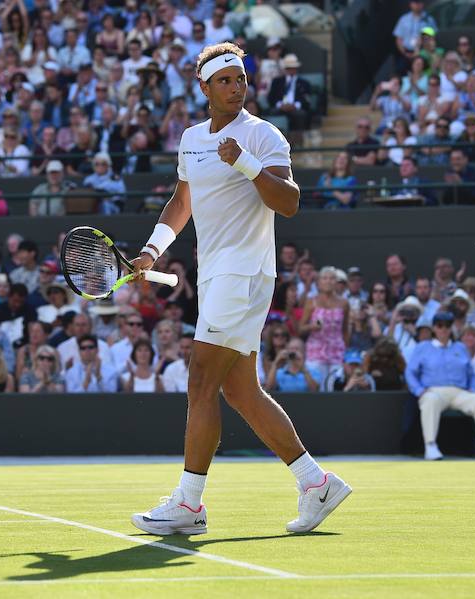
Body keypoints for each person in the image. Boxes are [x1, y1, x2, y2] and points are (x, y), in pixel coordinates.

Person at [128, 42, 351, 536]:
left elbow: (289, 202)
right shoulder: (190, 139)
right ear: (204, 87)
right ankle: (316, 483)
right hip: (217, 275)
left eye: (241, 79)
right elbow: (181, 200)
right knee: (240, 390)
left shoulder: (262, 134)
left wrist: (247, 163)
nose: (235, 87)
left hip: (243, 273)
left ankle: (188, 504)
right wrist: (151, 251)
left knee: (201, 383)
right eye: (224, 80)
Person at [406, 312, 475, 461]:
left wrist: (472, 388)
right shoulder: (422, 348)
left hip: (460, 392)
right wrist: (419, 390)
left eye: (447, 326)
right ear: (434, 328)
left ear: (451, 328)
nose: (443, 330)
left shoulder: (460, 348)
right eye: (440, 326)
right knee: (429, 400)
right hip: (433, 391)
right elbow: (410, 372)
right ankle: (430, 445)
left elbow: (471, 373)